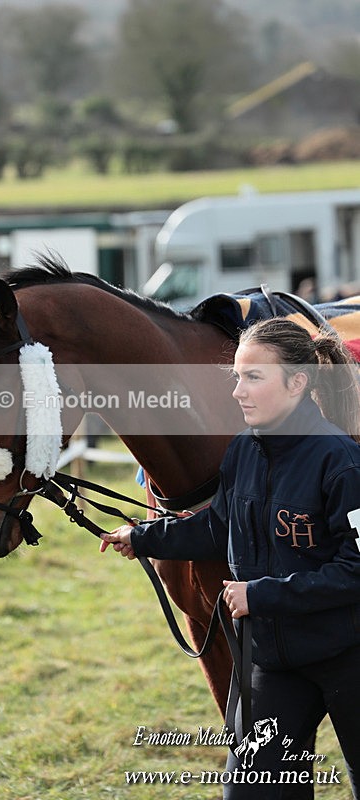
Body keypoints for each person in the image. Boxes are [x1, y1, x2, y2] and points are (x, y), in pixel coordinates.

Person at [101, 318, 360, 799]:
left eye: (254, 377)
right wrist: (143, 538)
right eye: (236, 377)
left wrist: (262, 594)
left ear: (298, 383)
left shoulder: (342, 461)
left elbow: (357, 571)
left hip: (350, 656)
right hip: (275, 662)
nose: (238, 391)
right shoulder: (241, 451)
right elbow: (219, 527)